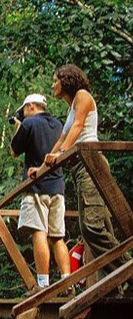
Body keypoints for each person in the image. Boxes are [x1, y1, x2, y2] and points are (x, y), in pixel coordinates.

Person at [38, 64, 131, 276]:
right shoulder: (70, 108)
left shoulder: (82, 95)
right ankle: (117, 282)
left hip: (92, 163)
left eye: (55, 80)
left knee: (93, 226)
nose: (52, 85)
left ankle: (126, 271)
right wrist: (42, 167)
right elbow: (63, 138)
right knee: (91, 228)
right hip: (80, 167)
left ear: (67, 79)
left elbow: (79, 127)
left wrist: (61, 152)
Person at [10, 93, 71, 295]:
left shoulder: (29, 124)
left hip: (37, 187)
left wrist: (18, 126)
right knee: (58, 237)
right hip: (58, 188)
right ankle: (67, 282)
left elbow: (14, 151)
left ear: (30, 107)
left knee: (39, 233)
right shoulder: (59, 125)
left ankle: (42, 285)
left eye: (24, 110)